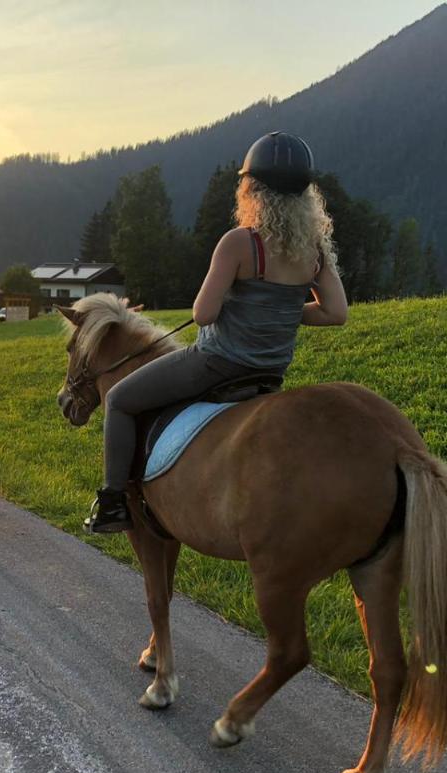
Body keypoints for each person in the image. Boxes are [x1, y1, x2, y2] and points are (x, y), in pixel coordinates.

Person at [85, 132, 349, 533]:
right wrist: (280, 312)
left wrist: (246, 306)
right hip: (269, 375)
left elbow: (204, 314)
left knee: (120, 400)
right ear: (304, 195)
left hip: (216, 365)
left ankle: (112, 503)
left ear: (253, 190)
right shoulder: (313, 251)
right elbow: (335, 313)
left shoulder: (240, 244)